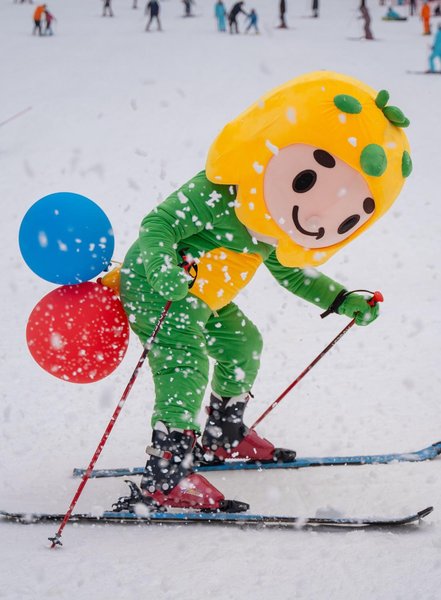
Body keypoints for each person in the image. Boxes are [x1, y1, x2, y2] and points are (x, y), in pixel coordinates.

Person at [112, 71, 412, 514]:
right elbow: (160, 224)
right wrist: (161, 268)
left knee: (243, 343)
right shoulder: (220, 193)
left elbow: (293, 274)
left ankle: (223, 435)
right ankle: (166, 475)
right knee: (185, 365)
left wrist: (342, 300)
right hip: (158, 289)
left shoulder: (273, 220)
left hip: (202, 298)